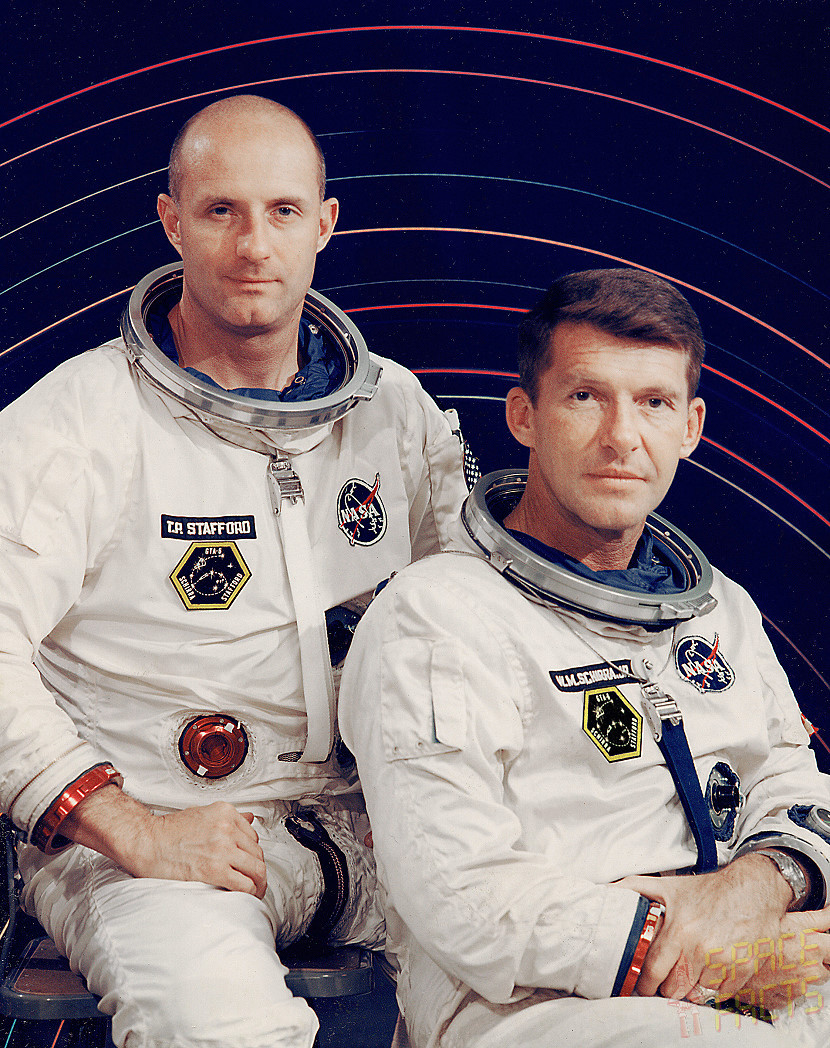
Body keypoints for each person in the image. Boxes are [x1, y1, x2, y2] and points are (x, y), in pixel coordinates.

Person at [0, 94, 468, 1048]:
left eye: (283, 211)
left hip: (373, 827)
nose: (255, 245)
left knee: (540, 988)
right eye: (221, 211)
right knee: (213, 1024)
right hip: (152, 836)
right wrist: (129, 826)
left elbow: (475, 619)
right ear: (171, 221)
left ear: (324, 225)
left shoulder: (392, 413)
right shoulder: (79, 419)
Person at [339, 268, 830, 1048]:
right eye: (585, 397)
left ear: (691, 427)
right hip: (531, 1006)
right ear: (524, 416)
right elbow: (462, 895)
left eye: (654, 403)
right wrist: (708, 951)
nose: (622, 437)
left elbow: (792, 785)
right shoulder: (436, 615)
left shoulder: (719, 610)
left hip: (749, 966)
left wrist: (760, 886)